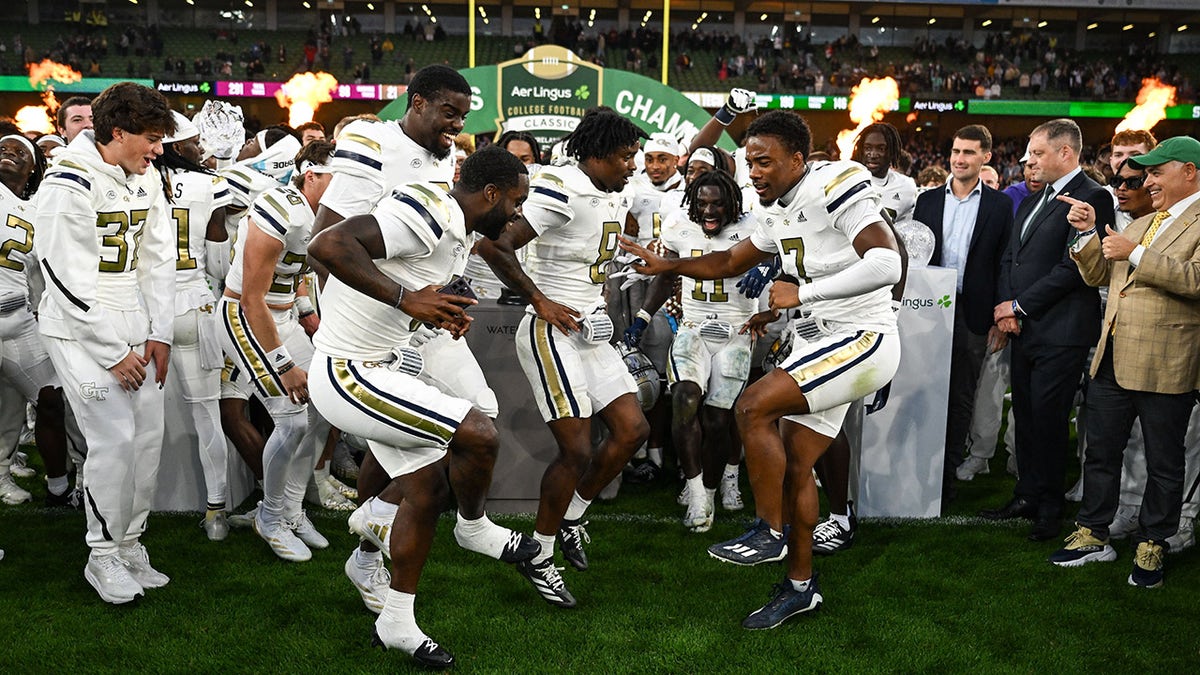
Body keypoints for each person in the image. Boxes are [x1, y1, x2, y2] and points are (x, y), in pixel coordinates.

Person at [620, 110, 902, 629]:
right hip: (819, 338)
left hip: (860, 335)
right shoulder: (775, 210)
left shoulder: (835, 181)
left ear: (799, 158)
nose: (754, 172)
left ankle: (768, 529)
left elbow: (888, 264)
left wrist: (804, 293)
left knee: (751, 406)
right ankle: (800, 587)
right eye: (750, 161)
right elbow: (728, 263)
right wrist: (669, 265)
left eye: (765, 161)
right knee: (796, 466)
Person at [308, 146, 538, 669]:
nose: (519, 215)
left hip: (384, 363)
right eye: (517, 203)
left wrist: (432, 313)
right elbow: (329, 243)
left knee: (430, 485)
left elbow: (410, 284)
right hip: (351, 372)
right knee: (478, 434)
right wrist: (406, 300)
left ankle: (397, 620)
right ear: (491, 194)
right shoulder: (429, 207)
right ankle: (474, 527)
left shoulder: (460, 230)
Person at [310, 64, 496, 614]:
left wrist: (447, 302)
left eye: (463, 116)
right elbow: (329, 232)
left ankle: (377, 523)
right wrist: (338, 314)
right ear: (416, 103)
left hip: (420, 317)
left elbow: (439, 245)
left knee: (479, 418)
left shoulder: (446, 159)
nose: (456, 124)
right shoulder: (372, 140)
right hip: (378, 317)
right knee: (437, 432)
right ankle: (374, 546)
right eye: (448, 112)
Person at [477, 107, 650, 608]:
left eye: (634, 154)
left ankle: (573, 517)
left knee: (632, 430)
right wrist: (539, 299)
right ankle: (542, 555)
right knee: (575, 450)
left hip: (591, 329)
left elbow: (591, 247)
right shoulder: (564, 187)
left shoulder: (613, 191)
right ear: (594, 155)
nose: (631, 165)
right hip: (551, 331)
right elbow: (495, 245)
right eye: (624, 155)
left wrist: (634, 256)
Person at [36, 82, 177, 604]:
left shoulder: (145, 177)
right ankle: (102, 554)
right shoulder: (67, 182)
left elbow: (159, 259)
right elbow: (64, 278)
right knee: (114, 439)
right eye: (152, 138)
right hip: (79, 326)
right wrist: (112, 352)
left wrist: (158, 331)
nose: (159, 150)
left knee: (146, 439)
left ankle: (130, 542)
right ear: (117, 132)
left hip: (134, 317)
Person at [1051, 136, 1200, 588]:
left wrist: (1134, 252)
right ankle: (1094, 533)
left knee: (1164, 460)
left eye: (1157, 171)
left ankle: (1154, 541)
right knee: (1100, 451)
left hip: (1167, 360)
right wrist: (1086, 233)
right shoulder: (1143, 222)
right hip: (1113, 356)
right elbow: (1100, 274)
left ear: (1189, 172)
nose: (1147, 180)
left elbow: (1195, 281)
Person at [984, 118, 1115, 542]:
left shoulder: (1094, 198)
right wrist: (1007, 310)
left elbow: (1074, 270)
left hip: (1061, 331)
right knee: (1024, 414)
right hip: (1024, 328)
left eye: (1038, 153)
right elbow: (1011, 257)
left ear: (1066, 153)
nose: (1029, 161)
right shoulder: (1032, 200)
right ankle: (1026, 494)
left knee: (1050, 420)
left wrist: (1018, 305)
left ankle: (1050, 507)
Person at [217, 140, 336, 562]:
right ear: (311, 175)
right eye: (335, 178)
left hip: (284, 316)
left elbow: (297, 271)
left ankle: (291, 508)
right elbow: (252, 297)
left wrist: (306, 312)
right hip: (246, 315)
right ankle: (269, 515)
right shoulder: (280, 207)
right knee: (290, 419)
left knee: (320, 412)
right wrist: (284, 363)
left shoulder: (320, 210)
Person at [624, 169, 759, 533]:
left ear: (733, 202)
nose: (709, 210)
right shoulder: (679, 225)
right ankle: (697, 491)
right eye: (702, 203)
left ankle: (713, 487)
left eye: (718, 203)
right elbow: (666, 275)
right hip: (694, 329)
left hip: (737, 332)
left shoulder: (754, 225)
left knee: (718, 421)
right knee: (683, 398)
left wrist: (770, 289)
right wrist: (641, 317)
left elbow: (781, 264)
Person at [916, 124, 1013, 502]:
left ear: (986, 157)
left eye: (969, 152)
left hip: (973, 315)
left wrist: (1000, 316)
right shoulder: (925, 202)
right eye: (956, 151)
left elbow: (1005, 263)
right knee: (923, 391)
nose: (960, 159)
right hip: (926, 313)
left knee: (960, 398)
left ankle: (945, 478)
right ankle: (917, 466)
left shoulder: (1000, 205)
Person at [154, 111, 233, 540]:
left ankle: (136, 508)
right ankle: (215, 510)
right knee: (207, 416)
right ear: (176, 145)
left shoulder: (135, 178)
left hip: (145, 309)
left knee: (140, 419)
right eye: (194, 142)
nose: (200, 149)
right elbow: (218, 254)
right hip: (195, 304)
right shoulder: (210, 184)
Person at [0, 134, 72, 509]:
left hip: (17, 318)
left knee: (48, 398)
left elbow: (42, 277)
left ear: (32, 170)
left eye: (20, 152)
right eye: (3, 148)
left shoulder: (37, 210)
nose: (9, 153)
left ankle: (58, 485)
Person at [852, 122, 916, 225]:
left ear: (892, 152)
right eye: (868, 148)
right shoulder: (849, 181)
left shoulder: (906, 186)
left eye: (880, 149)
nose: (872, 154)